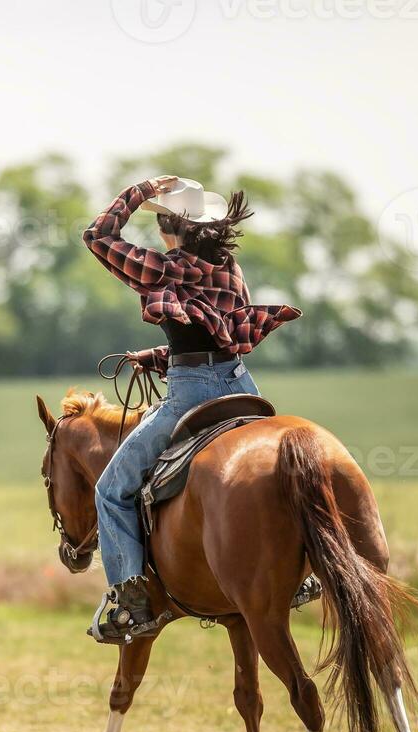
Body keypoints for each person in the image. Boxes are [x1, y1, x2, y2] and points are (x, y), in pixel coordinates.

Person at [82, 174, 303, 642]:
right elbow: (218, 337)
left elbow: (98, 236)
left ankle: (131, 600)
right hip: (241, 383)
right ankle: (301, 573)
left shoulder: (164, 268)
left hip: (191, 394)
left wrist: (139, 190)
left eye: (160, 220)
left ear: (168, 224)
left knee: (111, 489)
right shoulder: (230, 269)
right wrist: (163, 356)